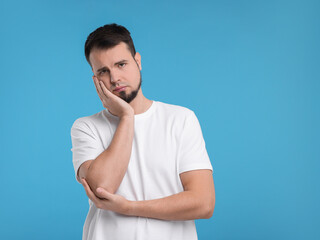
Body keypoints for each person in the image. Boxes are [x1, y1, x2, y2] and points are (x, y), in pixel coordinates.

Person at [70, 23, 215, 240]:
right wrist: (127, 117)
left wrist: (128, 207)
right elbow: (102, 187)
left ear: (137, 61)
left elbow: (203, 203)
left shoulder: (181, 119)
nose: (114, 78)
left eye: (121, 64)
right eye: (103, 71)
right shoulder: (86, 127)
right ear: (95, 79)